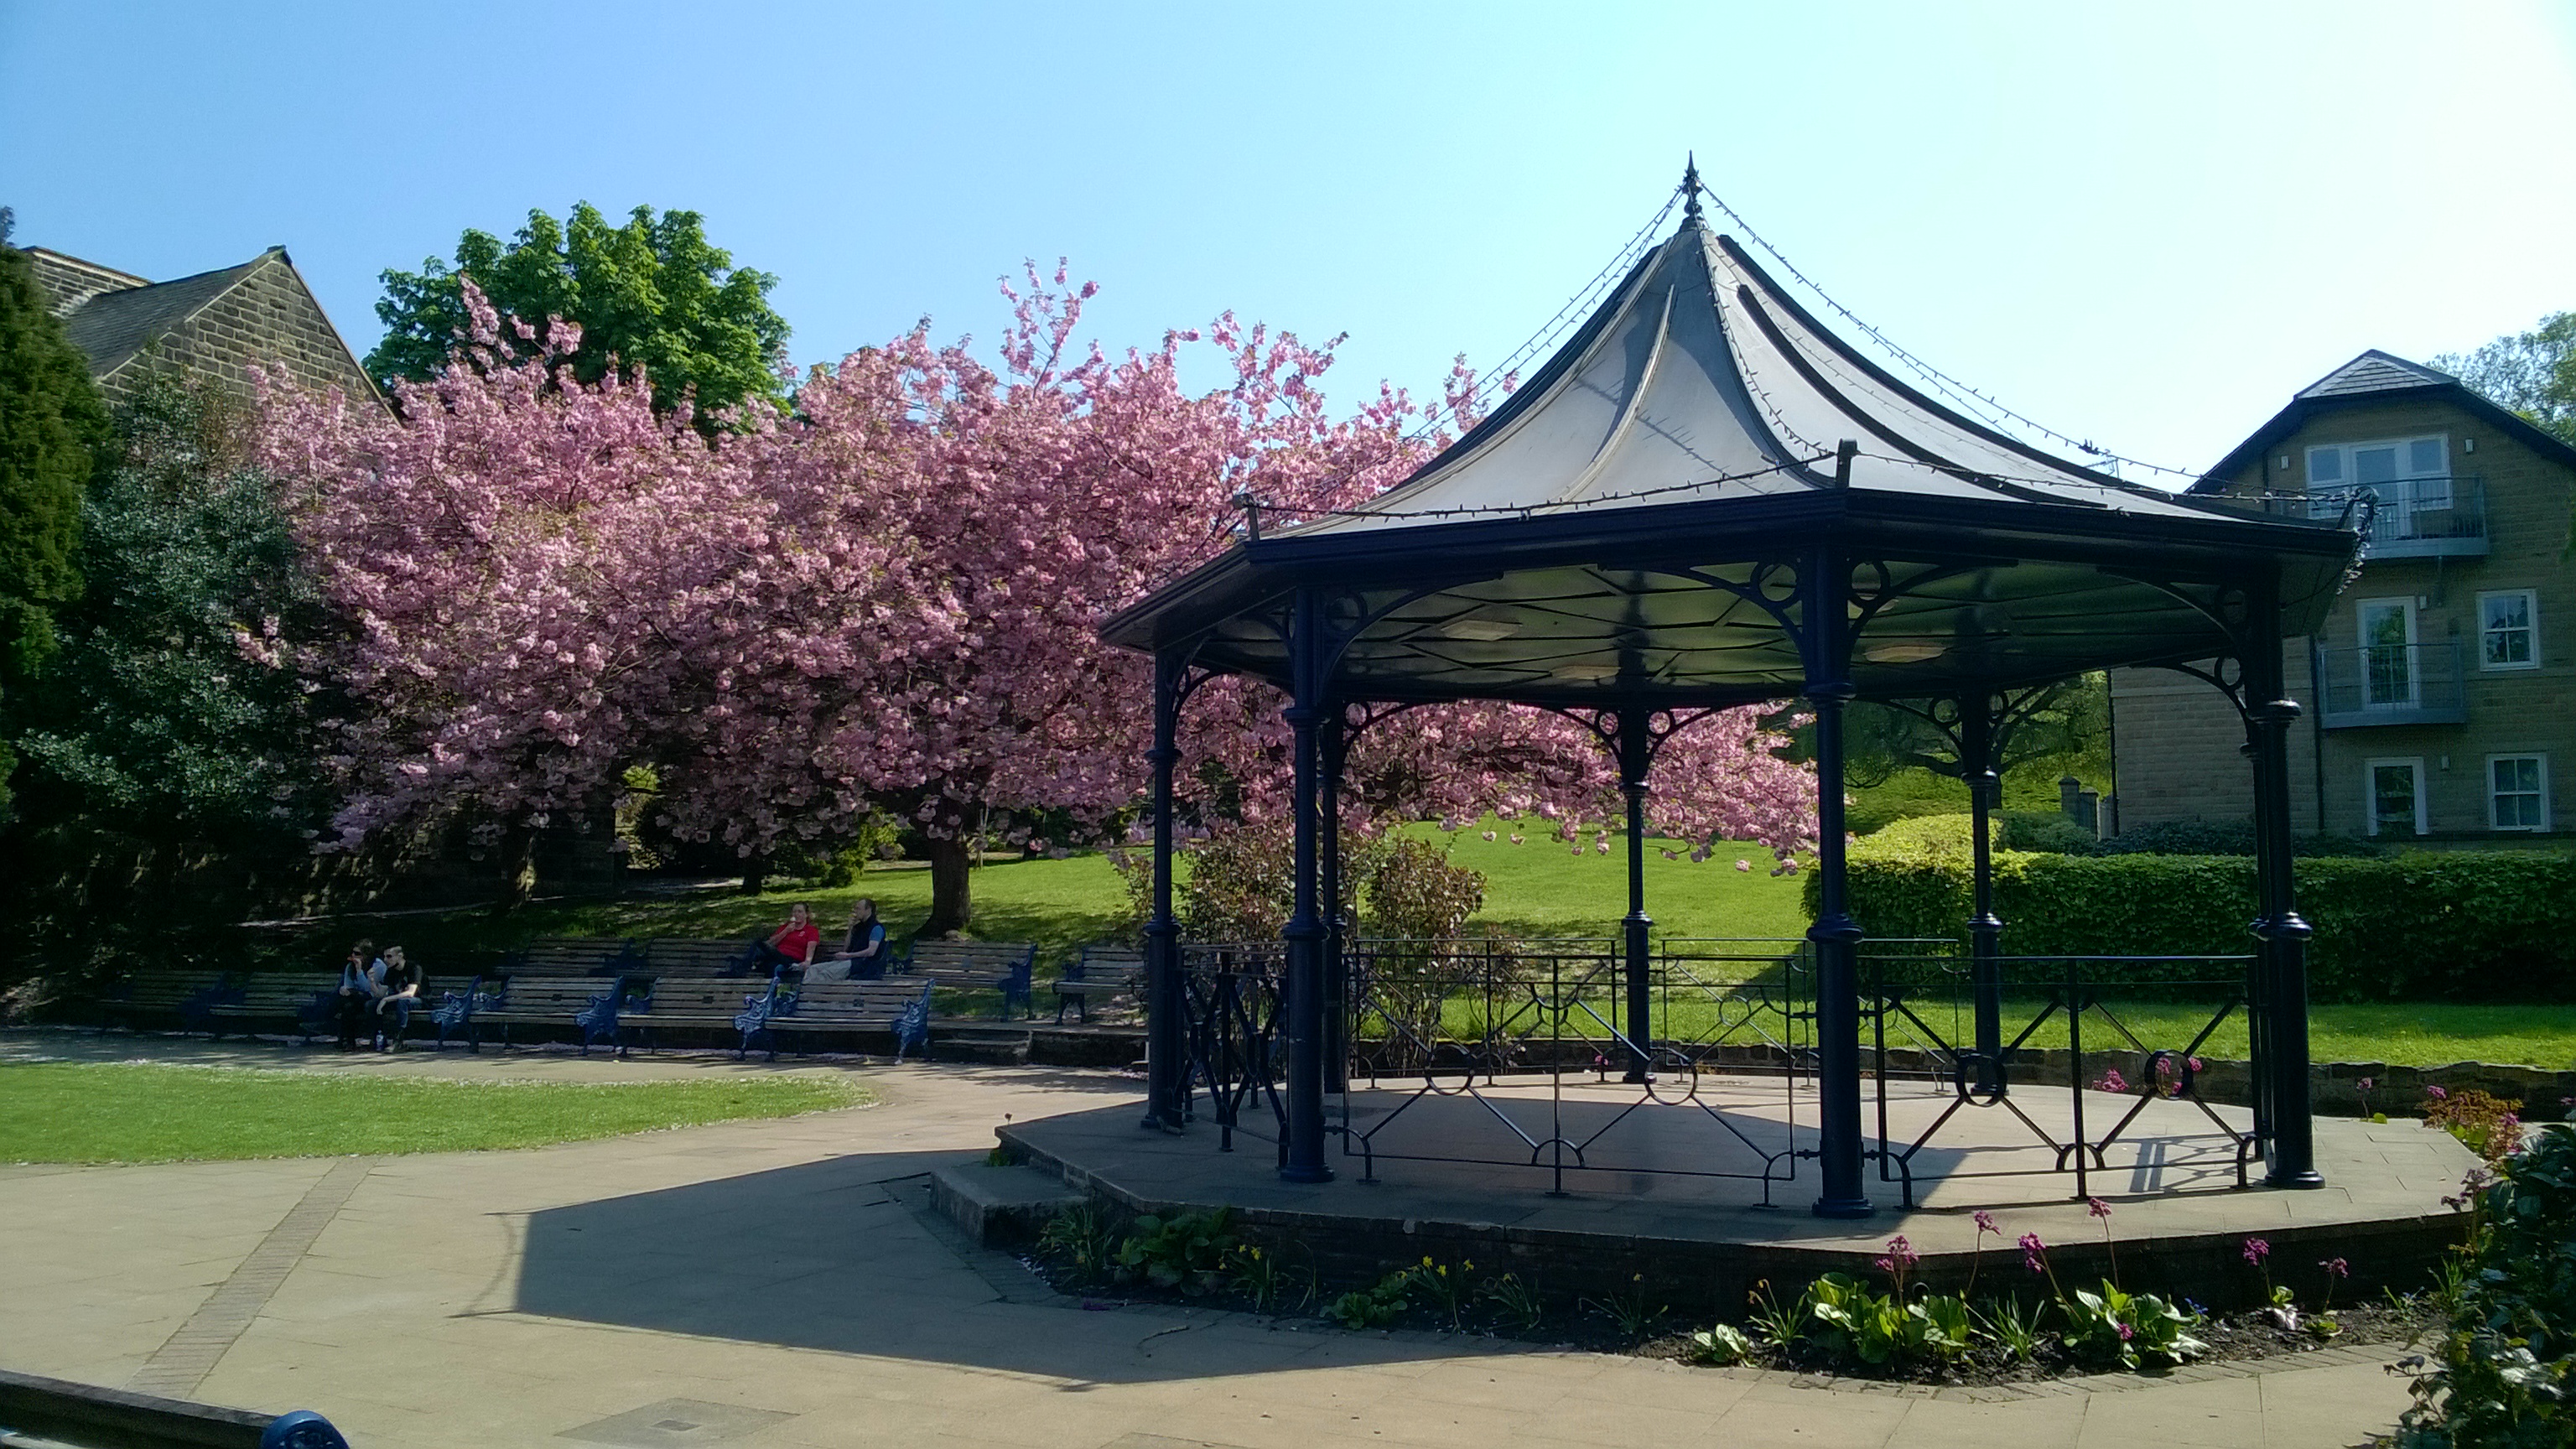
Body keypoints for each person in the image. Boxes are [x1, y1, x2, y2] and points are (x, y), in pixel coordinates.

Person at [808, 899, 888, 983]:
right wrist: (850, 928)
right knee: (813, 969)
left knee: (827, 974)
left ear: (868, 910)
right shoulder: (858, 928)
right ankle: (803, 994)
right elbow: (846, 949)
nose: (855, 912)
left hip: (865, 965)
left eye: (858, 909)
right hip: (850, 961)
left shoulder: (876, 928)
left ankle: (813, 994)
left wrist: (848, 956)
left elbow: (871, 952)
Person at [744, 903, 822, 974]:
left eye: (800, 912)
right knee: (769, 961)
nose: (796, 914)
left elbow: (811, 947)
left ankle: (744, 965)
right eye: (794, 912)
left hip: (793, 959)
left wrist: (807, 962)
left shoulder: (811, 930)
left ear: (806, 914)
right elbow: (771, 944)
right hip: (777, 957)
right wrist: (785, 932)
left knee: (767, 956)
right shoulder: (785, 927)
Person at [335, 938, 382, 1052]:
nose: (353, 956)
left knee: (355, 1004)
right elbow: (348, 985)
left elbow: (368, 988)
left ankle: (344, 1038)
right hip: (356, 997)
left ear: (366, 955)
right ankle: (349, 1042)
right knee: (347, 1006)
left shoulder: (378, 966)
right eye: (353, 953)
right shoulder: (350, 967)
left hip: (373, 997)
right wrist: (344, 990)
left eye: (357, 954)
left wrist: (360, 971)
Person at [373, 945, 422, 1051]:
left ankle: (398, 1041)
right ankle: (378, 1039)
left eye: (389, 956)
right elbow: (380, 994)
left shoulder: (414, 968)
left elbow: (410, 993)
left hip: (418, 1001)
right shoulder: (390, 971)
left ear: (400, 956)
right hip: (398, 1001)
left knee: (402, 1002)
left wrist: (386, 999)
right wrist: (371, 982)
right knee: (371, 1004)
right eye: (385, 957)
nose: (386, 960)